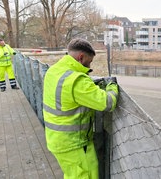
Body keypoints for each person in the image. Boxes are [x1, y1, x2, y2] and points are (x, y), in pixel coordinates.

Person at [43, 38, 119, 179]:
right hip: (75, 145)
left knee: (73, 175)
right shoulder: (77, 81)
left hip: (57, 139)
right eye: (89, 62)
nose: (90, 67)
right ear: (81, 57)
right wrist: (111, 85)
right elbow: (107, 102)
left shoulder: (54, 71)